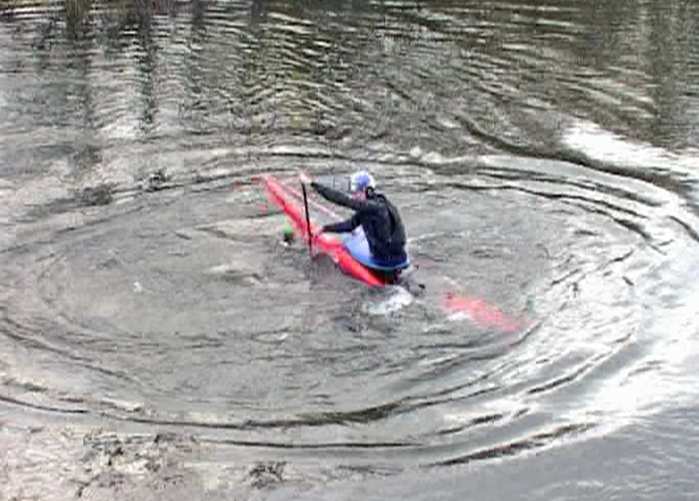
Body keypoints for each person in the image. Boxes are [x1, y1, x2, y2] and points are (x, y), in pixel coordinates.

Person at [305, 170, 408, 268]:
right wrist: (324, 229)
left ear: (367, 191)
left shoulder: (376, 208)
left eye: (356, 191)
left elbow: (342, 200)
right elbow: (350, 225)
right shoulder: (370, 208)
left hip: (386, 259)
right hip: (390, 254)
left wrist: (312, 184)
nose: (354, 195)